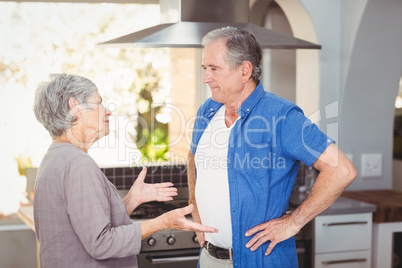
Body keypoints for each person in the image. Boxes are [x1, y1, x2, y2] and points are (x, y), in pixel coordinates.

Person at [187, 26, 357, 267]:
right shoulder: (209, 109)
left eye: (214, 69)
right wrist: (195, 207)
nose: (206, 77)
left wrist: (294, 222)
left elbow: (342, 170)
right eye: (205, 68)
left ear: (244, 70)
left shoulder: (282, 116)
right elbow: (193, 158)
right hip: (209, 258)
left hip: (260, 261)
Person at [33, 73, 217, 268]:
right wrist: (162, 222)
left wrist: (131, 200)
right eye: (99, 103)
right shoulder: (78, 164)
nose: (107, 112)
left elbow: (86, 226)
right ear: (75, 107)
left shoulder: (54, 158)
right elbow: (102, 243)